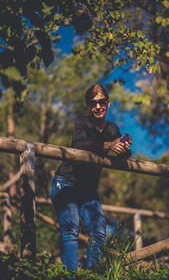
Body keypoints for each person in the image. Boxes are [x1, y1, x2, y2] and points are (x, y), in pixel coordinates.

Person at [51, 84, 132, 270]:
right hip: (65, 182)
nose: (98, 107)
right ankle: (69, 279)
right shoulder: (82, 123)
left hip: (88, 190)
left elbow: (124, 155)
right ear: (88, 106)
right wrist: (109, 145)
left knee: (99, 230)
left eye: (101, 102)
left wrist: (123, 148)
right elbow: (80, 145)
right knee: (71, 229)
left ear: (108, 103)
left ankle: (92, 279)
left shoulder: (112, 129)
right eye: (93, 103)